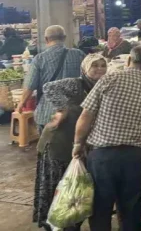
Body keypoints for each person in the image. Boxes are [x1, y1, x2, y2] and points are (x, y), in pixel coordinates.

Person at [73, 46, 141, 231]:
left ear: (129, 61)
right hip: (134, 158)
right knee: (131, 210)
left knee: (100, 208)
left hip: (102, 158)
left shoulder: (110, 78)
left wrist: (77, 144)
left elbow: (86, 116)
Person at [33, 54, 107, 231]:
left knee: (75, 187)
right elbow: (48, 87)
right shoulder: (76, 84)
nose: (99, 68)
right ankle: (55, 224)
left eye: (102, 65)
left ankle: (70, 223)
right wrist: (64, 109)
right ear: (84, 69)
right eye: (94, 65)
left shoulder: (103, 86)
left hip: (76, 143)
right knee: (60, 187)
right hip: (58, 143)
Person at [17, 26, 86, 133]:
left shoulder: (40, 59)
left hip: (48, 112)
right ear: (64, 37)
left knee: (48, 146)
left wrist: (21, 103)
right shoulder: (79, 54)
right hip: (74, 111)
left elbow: (30, 86)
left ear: (46, 39)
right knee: (72, 144)